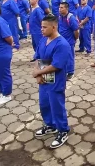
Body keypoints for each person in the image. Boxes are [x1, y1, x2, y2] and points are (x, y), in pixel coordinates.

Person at [33, 14, 71, 149]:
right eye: (41, 27)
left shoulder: (62, 44)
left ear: (54, 27)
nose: (41, 30)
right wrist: (38, 75)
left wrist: (38, 73)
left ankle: (63, 130)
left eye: (44, 27)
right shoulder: (43, 40)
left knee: (57, 106)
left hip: (55, 80)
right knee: (44, 104)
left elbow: (56, 65)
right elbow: (38, 58)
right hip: (44, 80)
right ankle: (50, 125)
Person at [58, 2, 79, 80]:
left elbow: (76, 30)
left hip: (69, 41)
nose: (60, 9)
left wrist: (75, 39)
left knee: (70, 57)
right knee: (62, 56)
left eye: (62, 7)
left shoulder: (70, 18)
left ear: (66, 8)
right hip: (61, 41)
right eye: (59, 7)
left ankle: (71, 72)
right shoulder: (60, 17)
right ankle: (64, 70)